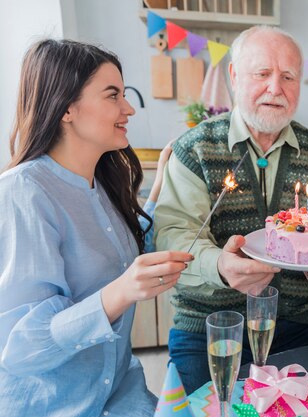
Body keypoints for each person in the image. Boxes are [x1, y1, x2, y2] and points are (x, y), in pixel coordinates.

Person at [0, 39, 194, 417]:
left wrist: (159, 189)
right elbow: (20, 347)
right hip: (54, 407)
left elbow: (122, 251)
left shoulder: (101, 182)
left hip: (119, 393)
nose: (129, 109)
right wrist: (119, 293)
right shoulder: (23, 194)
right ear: (67, 107)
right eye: (112, 96)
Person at [154, 26, 308, 393]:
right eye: (262, 74)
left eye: (288, 77)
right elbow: (172, 235)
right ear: (233, 76)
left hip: (307, 320)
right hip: (213, 322)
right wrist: (221, 266)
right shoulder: (195, 149)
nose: (276, 88)